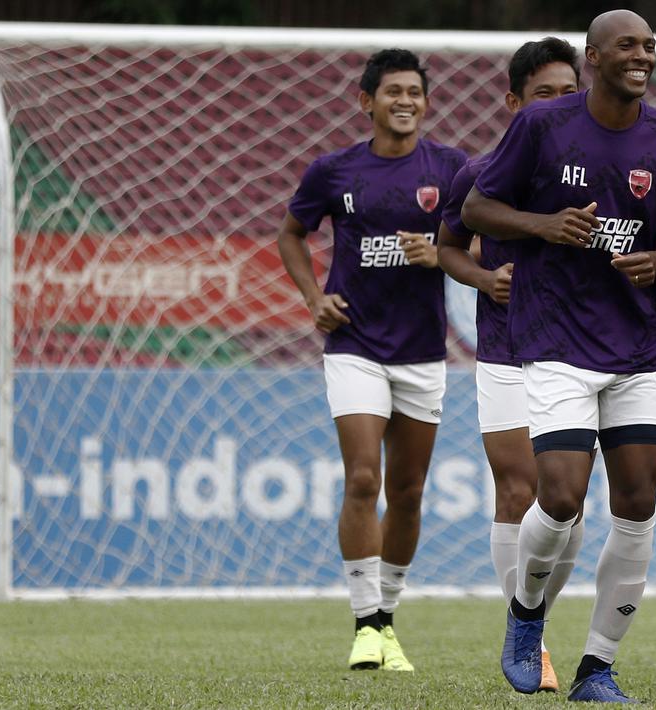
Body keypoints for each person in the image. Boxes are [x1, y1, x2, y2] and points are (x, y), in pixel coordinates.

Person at [463, 9, 656, 703]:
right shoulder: (542, 125)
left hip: (636, 346)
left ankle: (597, 666)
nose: (642, 56)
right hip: (557, 340)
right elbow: (477, 208)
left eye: (650, 46)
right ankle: (525, 617)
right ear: (593, 56)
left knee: (636, 503)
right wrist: (543, 224)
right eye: (627, 45)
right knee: (561, 497)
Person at [276, 48, 466, 673]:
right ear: (367, 101)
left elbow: (478, 238)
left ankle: (388, 619)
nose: (405, 100)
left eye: (415, 91)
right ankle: (365, 625)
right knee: (364, 478)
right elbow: (290, 234)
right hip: (354, 345)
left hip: (421, 352)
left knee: (408, 491)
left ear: (426, 101)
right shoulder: (334, 171)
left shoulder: (450, 168)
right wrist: (313, 298)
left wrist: (439, 254)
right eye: (392, 91)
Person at [438, 36, 582, 693]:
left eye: (566, 92)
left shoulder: (602, 166)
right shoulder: (482, 171)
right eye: (542, 93)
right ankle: (535, 641)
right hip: (503, 353)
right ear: (513, 101)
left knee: (567, 505)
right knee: (518, 490)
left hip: (580, 354)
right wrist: (482, 278)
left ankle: (533, 621)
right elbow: (448, 250)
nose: (556, 105)